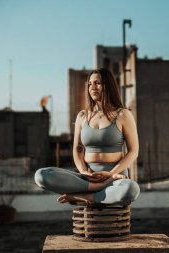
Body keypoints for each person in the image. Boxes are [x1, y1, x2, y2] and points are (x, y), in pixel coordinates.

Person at [34, 68, 140, 205]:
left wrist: (111, 174)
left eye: (97, 83)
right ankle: (96, 189)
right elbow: (78, 149)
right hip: (87, 180)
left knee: (131, 189)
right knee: (41, 175)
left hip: (115, 178)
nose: (92, 87)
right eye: (90, 84)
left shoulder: (123, 115)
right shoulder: (82, 116)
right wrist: (84, 172)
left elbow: (133, 151)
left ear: (108, 86)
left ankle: (87, 197)